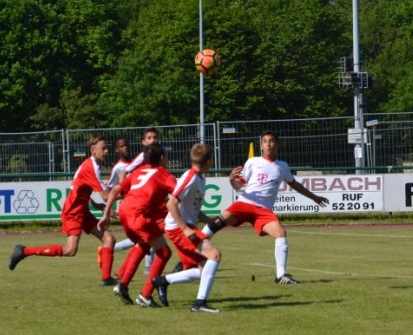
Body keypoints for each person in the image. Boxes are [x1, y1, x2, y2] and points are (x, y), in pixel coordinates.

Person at [201, 131, 328, 284]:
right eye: (265, 141)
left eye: (271, 141)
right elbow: (238, 186)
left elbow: (295, 185)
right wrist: (231, 180)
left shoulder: (282, 166)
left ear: (277, 145)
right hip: (245, 203)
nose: (268, 144)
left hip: (263, 210)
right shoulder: (253, 162)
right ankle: (190, 256)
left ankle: (280, 276)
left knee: (280, 233)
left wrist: (314, 197)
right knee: (216, 223)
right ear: (261, 146)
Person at [8, 135, 118, 286]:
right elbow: (106, 196)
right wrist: (132, 192)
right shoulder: (91, 167)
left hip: (82, 210)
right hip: (73, 212)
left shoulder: (92, 165)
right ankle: (24, 251)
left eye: (107, 148)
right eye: (103, 148)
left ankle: (106, 278)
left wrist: (95, 204)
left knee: (109, 239)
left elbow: (80, 187)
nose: (106, 151)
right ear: (93, 150)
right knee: (70, 250)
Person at [97, 143, 176, 306]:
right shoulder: (165, 175)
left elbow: (114, 190)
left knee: (143, 244)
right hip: (139, 215)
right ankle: (146, 295)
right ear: (162, 158)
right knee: (164, 253)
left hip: (125, 212)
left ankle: (123, 285)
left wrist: (106, 215)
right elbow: (178, 196)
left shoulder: (139, 171)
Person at [150, 143, 223, 313]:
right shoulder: (191, 178)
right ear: (209, 161)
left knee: (204, 269)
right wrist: (184, 229)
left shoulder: (200, 178)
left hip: (184, 226)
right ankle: (199, 304)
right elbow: (171, 203)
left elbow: (191, 208)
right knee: (214, 255)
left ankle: (162, 281)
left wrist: (208, 219)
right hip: (178, 228)